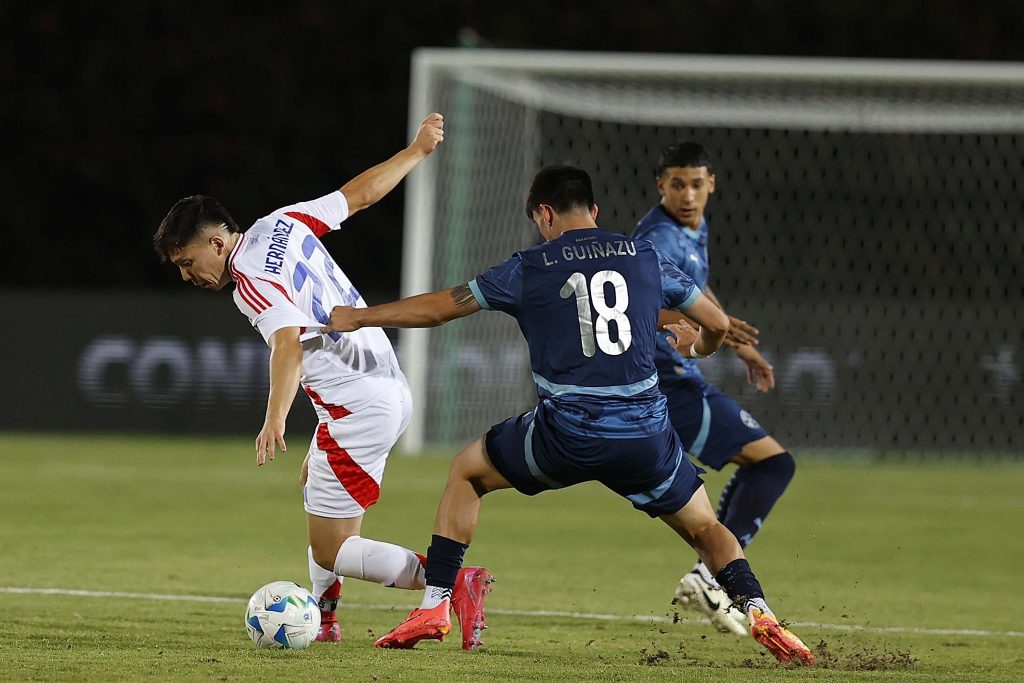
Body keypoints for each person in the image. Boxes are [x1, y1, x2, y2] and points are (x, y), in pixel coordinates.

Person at [323, 165, 814, 664]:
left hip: (567, 435)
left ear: (544, 213)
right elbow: (718, 323)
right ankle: (759, 610)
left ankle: (435, 605)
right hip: (645, 436)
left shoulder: (529, 266)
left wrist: (360, 316)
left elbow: (442, 308)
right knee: (707, 528)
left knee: (467, 472)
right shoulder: (645, 256)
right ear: (594, 211)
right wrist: (699, 348)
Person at [152, 113, 492, 651]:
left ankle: (445, 584)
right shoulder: (282, 222)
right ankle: (326, 621)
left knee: (334, 549)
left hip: (358, 405)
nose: (186, 275)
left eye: (187, 261)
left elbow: (287, 342)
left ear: (217, 243)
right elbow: (356, 196)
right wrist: (416, 151)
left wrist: (273, 419)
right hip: (383, 387)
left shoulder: (249, 282)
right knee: (316, 493)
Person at [633, 141, 797, 636]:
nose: (687, 194)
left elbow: (696, 291)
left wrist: (736, 342)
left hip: (678, 378)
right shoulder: (658, 236)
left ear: (711, 185)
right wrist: (703, 325)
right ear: (661, 187)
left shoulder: (693, 227)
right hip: (667, 382)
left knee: (762, 466)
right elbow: (644, 300)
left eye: (696, 184)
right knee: (773, 463)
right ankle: (711, 576)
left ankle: (713, 576)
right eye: (677, 185)